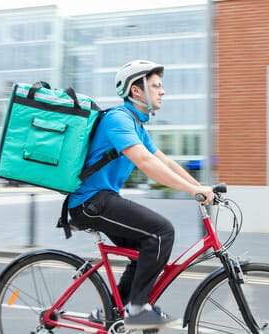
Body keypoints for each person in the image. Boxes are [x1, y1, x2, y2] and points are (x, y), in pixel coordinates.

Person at [68, 59, 214, 330]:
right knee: (161, 232)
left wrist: (202, 187)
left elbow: (164, 162)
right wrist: (193, 190)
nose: (163, 91)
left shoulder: (137, 125)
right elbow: (146, 163)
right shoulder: (118, 119)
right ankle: (136, 309)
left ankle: (114, 311)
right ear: (136, 91)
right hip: (91, 201)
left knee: (146, 248)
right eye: (156, 85)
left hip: (102, 200)